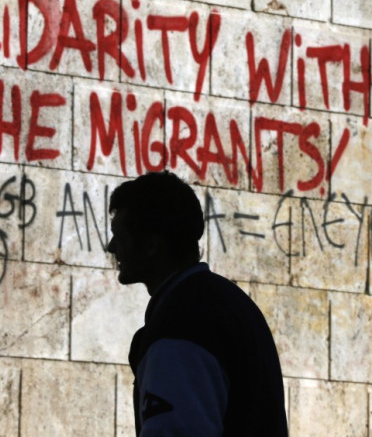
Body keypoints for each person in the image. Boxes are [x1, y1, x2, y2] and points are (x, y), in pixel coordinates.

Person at [107, 171, 288, 436]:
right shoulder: (227, 302)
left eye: (119, 236)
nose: (112, 247)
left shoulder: (181, 325)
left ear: (151, 245)